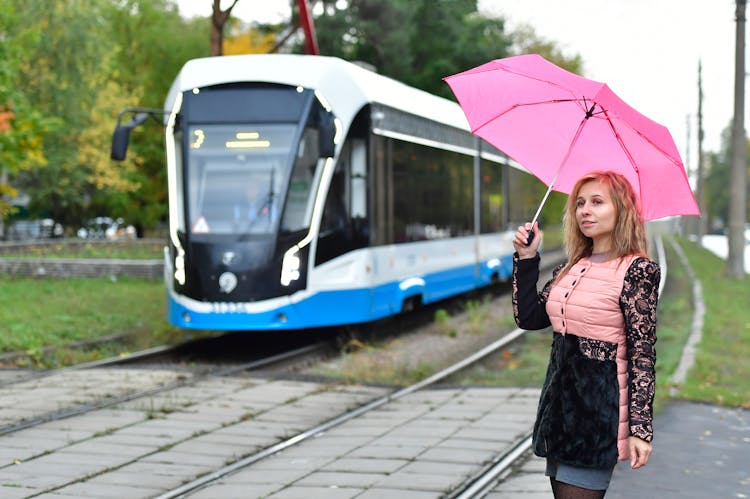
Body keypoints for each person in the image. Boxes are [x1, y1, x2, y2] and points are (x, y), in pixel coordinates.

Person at [512, 170, 660, 499]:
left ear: (621, 210)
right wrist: (526, 259)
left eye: (597, 202)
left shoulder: (637, 271)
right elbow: (530, 317)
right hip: (558, 412)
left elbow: (642, 355)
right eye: (580, 203)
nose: (585, 210)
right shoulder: (574, 265)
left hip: (597, 417)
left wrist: (640, 429)